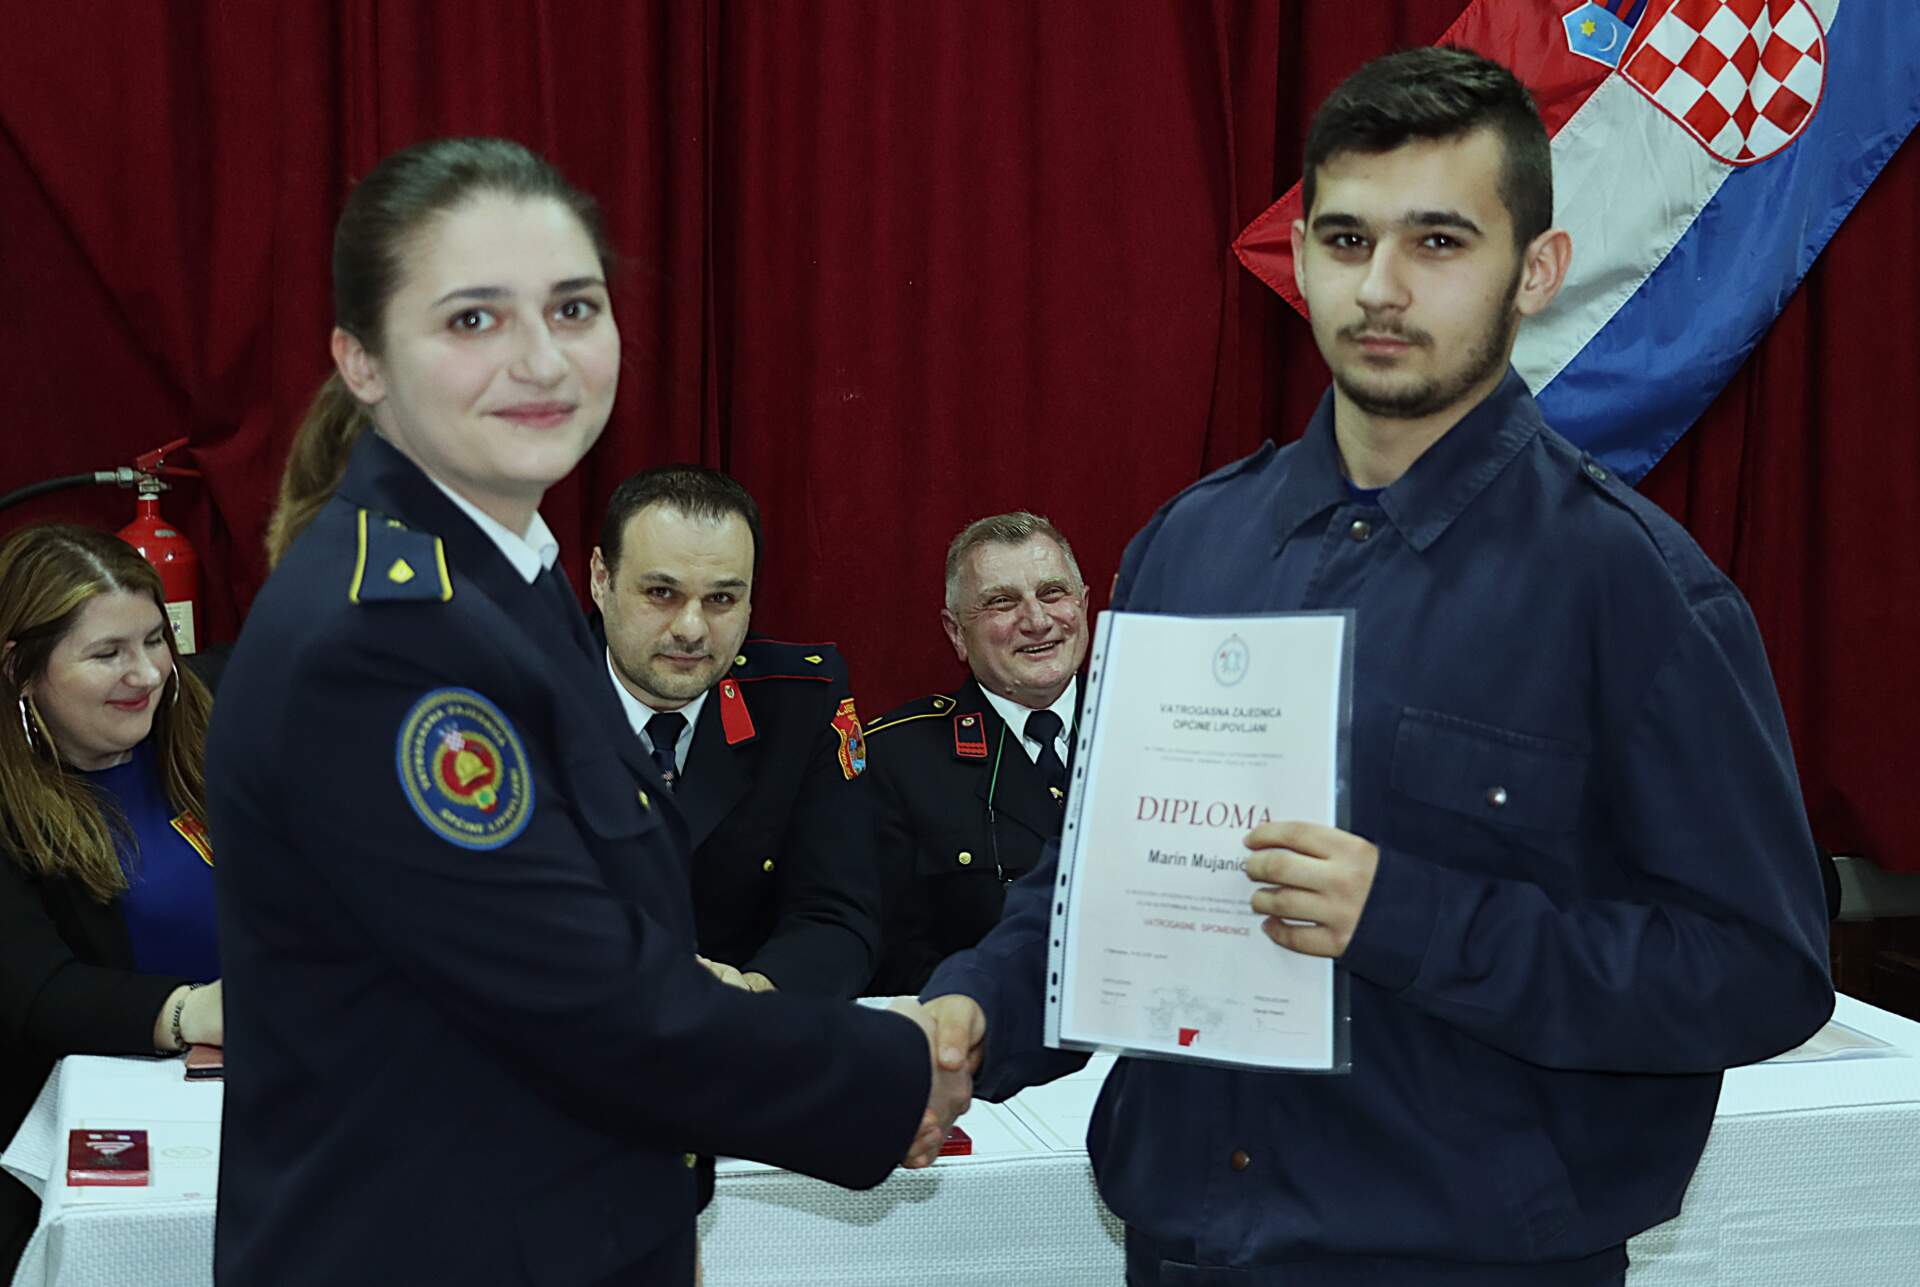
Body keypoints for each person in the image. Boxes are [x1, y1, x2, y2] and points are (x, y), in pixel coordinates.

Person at [910, 49, 1834, 1286]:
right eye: (1347, 239)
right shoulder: (1192, 547)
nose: (1382, 287)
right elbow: (1102, 882)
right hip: (1188, 1249)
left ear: (1538, 271)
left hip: (1465, 1264)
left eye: (1439, 242)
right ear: (1300, 259)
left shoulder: (1633, 590)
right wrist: (974, 1014)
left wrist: (1408, 917)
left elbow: (1760, 975)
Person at [208, 137, 951, 1287]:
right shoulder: (387, 639)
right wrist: (892, 1068)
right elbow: (588, 999)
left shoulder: (506, 582)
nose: (540, 359)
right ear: (361, 360)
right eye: (473, 319)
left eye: (573, 308)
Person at [0, 525, 223, 1275]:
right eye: (107, 654)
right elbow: (40, 992)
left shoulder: (206, 717)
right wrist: (191, 1012)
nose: (148, 673)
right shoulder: (10, 806)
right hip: (108, 1128)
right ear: (21, 670)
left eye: (155, 640)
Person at [589, 466, 883, 997]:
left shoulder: (799, 702)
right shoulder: (520, 696)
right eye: (661, 592)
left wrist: (753, 994)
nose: (691, 629)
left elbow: (837, 913)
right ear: (600, 579)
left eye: (721, 599)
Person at [865, 511, 1089, 995]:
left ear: (1083, 605)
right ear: (956, 632)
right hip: (981, 1025)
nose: (1037, 621)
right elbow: (894, 953)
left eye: (1053, 593)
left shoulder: (1150, 729)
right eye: (1002, 602)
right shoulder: (896, 759)